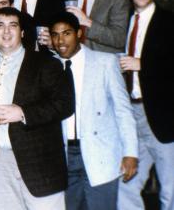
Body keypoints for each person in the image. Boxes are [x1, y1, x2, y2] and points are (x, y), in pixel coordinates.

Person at [0, 7, 73, 210]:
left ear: (22, 32)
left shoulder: (45, 63)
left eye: (13, 25)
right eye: (0, 26)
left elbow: (64, 104)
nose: (6, 31)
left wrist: (23, 113)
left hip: (39, 161)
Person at [49, 12, 138, 210]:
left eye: (67, 33)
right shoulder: (49, 66)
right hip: (63, 156)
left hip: (100, 154)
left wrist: (131, 152)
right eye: (55, 35)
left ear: (79, 34)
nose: (60, 40)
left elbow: (123, 111)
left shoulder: (105, 62)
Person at [118, 0, 174, 210]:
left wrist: (142, 64)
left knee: (170, 192)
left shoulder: (169, 22)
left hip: (162, 119)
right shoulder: (126, 22)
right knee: (125, 187)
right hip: (132, 116)